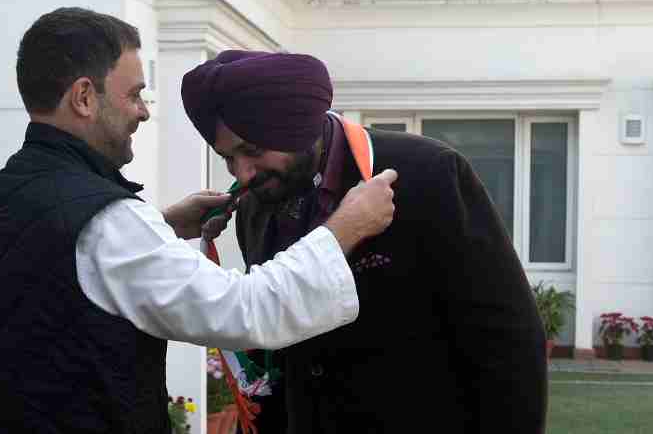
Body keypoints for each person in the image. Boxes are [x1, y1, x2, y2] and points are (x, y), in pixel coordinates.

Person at [0, 8, 398, 434]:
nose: (143, 112)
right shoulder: (108, 223)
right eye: (133, 95)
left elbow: (63, 278)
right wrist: (345, 228)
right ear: (84, 97)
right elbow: (247, 310)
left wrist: (159, 226)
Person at [182, 50, 548, 434]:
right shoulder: (256, 203)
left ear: (299, 125)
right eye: (227, 157)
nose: (243, 172)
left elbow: (508, 342)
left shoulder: (429, 173)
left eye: (253, 150)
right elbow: (279, 350)